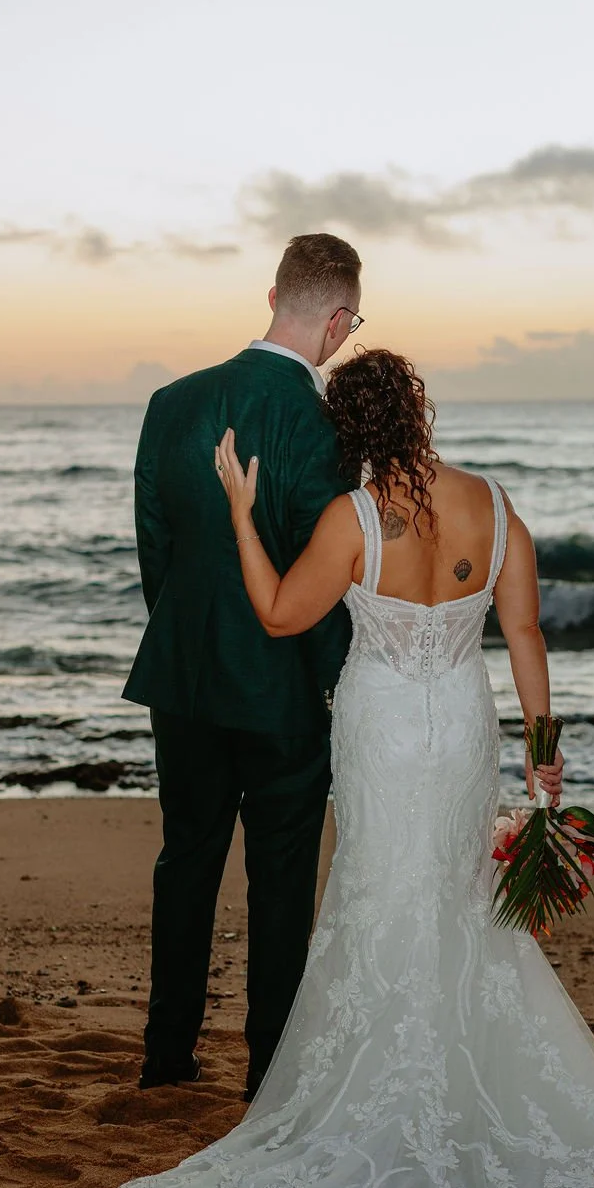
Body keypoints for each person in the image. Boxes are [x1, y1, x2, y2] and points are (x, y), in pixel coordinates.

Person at [44, 350, 594, 1188]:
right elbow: (525, 634)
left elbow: (283, 616)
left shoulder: (351, 518)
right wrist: (545, 750)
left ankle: (380, 1097)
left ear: (351, 435)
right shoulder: (494, 508)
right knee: (456, 897)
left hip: (380, 731)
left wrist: (243, 515)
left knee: (378, 888)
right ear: (419, 413)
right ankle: (460, 1096)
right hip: (459, 726)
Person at [122, 233, 363, 1099]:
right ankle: (269, 1071)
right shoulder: (323, 421)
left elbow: (158, 547)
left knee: (185, 858)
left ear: (273, 295)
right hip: (284, 686)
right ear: (337, 319)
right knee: (281, 875)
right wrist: (339, 680)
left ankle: (166, 1055)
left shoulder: (172, 402)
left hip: (183, 676)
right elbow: (327, 568)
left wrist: (190, 636)